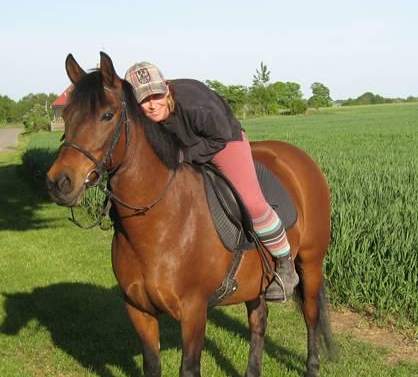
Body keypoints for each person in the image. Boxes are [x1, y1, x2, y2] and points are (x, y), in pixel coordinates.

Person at [125, 61, 299, 301]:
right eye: (144, 100)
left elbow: (217, 138)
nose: (153, 105)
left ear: (166, 88)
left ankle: (285, 264)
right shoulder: (140, 117)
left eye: (156, 94)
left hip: (223, 140)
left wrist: (184, 156)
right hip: (186, 144)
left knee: (252, 203)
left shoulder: (195, 105)